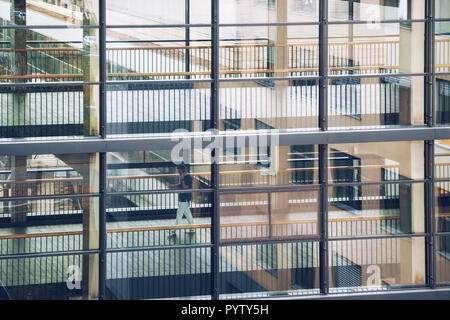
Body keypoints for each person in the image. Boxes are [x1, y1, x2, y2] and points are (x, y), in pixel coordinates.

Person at [168, 164, 195, 236]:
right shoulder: (184, 176)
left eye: (179, 171)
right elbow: (181, 185)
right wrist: (173, 185)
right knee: (187, 213)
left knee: (179, 213)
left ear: (183, 171)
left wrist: (182, 178)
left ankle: (174, 230)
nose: (178, 173)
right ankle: (192, 227)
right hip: (183, 197)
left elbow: (185, 187)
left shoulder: (188, 177)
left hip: (185, 198)